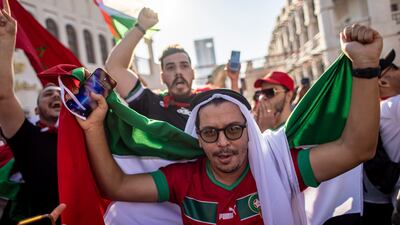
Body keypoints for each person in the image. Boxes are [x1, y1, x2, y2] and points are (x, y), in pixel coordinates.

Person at [76, 23, 382, 224]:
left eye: (233, 130)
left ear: (249, 132)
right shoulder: (184, 179)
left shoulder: (279, 166)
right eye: (210, 133)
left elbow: (357, 149)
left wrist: (366, 66)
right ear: (198, 138)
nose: (223, 142)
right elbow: (115, 185)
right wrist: (92, 128)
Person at [105, 8, 239, 130]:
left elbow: (236, 119)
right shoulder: (151, 103)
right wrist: (141, 26)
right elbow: (114, 68)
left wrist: (234, 81)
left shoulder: (210, 101)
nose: (178, 72)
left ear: (193, 73)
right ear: (162, 77)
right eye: (170, 67)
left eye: (184, 65)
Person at [0, 0, 61, 223]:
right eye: (47, 94)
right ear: (36, 109)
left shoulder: (89, 138)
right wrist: (7, 42)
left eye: (59, 94)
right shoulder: (28, 139)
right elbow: (4, 95)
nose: (55, 96)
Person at [362, 49, 400, 225]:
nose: (399, 68)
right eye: (394, 67)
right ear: (383, 82)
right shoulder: (393, 105)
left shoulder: (384, 108)